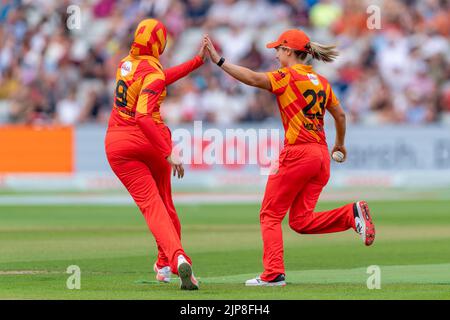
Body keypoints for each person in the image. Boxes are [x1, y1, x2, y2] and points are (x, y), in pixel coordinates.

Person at [203, 29, 376, 286]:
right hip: (320, 157)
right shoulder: (321, 81)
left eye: (278, 49)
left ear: (289, 51)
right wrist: (339, 144)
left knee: (270, 215)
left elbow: (251, 78)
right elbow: (340, 115)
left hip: (298, 154)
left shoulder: (287, 77)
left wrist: (219, 61)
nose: (275, 53)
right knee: (300, 221)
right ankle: (351, 215)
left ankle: (273, 274)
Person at [105, 18, 207, 290]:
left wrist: (196, 62)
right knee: (165, 205)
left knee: (152, 207)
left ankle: (167, 264)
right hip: (152, 139)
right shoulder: (153, 71)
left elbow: (161, 80)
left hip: (118, 143)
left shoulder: (125, 63)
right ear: (159, 43)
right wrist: (167, 152)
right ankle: (176, 258)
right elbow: (143, 117)